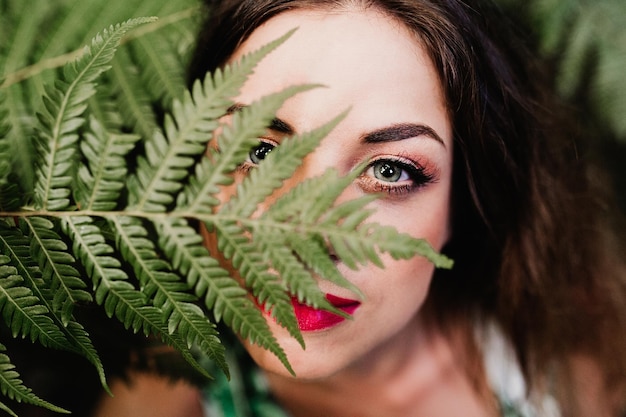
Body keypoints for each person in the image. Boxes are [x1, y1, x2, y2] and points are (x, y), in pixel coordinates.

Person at [185, 0, 626, 416]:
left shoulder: (582, 355)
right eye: (259, 153)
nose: (303, 240)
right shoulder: (163, 397)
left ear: (461, 200)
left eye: (390, 171)